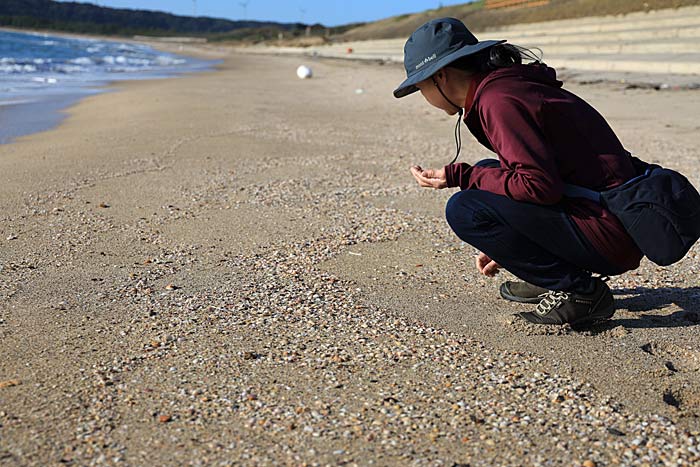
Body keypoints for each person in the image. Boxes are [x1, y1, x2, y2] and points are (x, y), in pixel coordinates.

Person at [394, 17, 645, 327]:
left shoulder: (499, 101)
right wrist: (519, 245)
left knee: (465, 208)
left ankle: (580, 292)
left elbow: (539, 186)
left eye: (420, 87)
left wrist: (462, 176)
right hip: (617, 218)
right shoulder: (504, 87)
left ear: (440, 76)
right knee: (487, 174)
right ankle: (551, 277)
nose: (424, 96)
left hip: (609, 231)